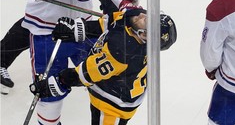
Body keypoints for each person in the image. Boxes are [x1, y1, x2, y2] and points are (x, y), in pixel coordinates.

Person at [29, 8, 177, 124]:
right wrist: (77, 29)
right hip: (112, 85)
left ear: (143, 36)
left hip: (114, 105)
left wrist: (58, 83)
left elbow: (85, 74)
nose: (144, 16)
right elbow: (109, 23)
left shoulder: (123, 52)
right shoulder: (135, 17)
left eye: (148, 22)